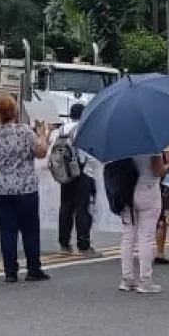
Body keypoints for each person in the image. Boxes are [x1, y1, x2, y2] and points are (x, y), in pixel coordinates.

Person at [0, 94, 51, 283]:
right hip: (25, 187)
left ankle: (10, 271)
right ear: (15, 111)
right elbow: (40, 153)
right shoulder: (25, 131)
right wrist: (43, 136)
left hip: (0, 189)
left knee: (7, 230)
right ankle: (34, 269)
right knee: (30, 229)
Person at [119, 151, 168, 294]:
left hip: (127, 191)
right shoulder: (152, 146)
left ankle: (126, 278)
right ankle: (145, 280)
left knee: (128, 235)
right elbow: (157, 170)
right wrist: (168, 167)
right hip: (148, 190)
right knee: (145, 237)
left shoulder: (122, 143)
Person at [55, 103, 98, 256]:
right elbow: (91, 154)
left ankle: (64, 243)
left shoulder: (60, 130)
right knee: (83, 208)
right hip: (83, 173)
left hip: (65, 174)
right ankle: (83, 244)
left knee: (65, 206)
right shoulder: (85, 130)